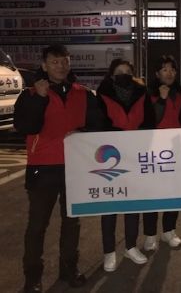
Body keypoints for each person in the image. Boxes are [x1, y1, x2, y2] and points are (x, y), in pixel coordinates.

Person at [14, 44, 101, 293]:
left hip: (75, 168)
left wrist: (82, 132)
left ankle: (69, 268)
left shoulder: (83, 94)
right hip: (42, 168)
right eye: (54, 62)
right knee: (37, 225)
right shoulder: (31, 94)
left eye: (64, 61)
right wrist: (40, 99)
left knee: (72, 222)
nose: (61, 66)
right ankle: (33, 277)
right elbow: (25, 126)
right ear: (44, 66)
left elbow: (98, 124)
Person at [96, 59, 155, 272]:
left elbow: (150, 121)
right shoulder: (102, 94)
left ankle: (130, 246)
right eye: (119, 71)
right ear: (111, 74)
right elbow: (98, 123)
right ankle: (109, 252)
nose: (124, 74)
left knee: (132, 204)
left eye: (128, 71)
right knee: (110, 206)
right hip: (111, 158)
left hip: (135, 155)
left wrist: (139, 141)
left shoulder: (142, 93)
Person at [142, 55, 181, 251]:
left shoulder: (180, 94)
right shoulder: (149, 94)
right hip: (154, 153)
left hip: (176, 151)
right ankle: (150, 235)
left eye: (172, 69)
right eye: (165, 69)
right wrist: (161, 101)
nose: (169, 73)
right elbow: (149, 121)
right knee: (152, 194)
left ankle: (169, 230)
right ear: (157, 73)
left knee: (174, 192)